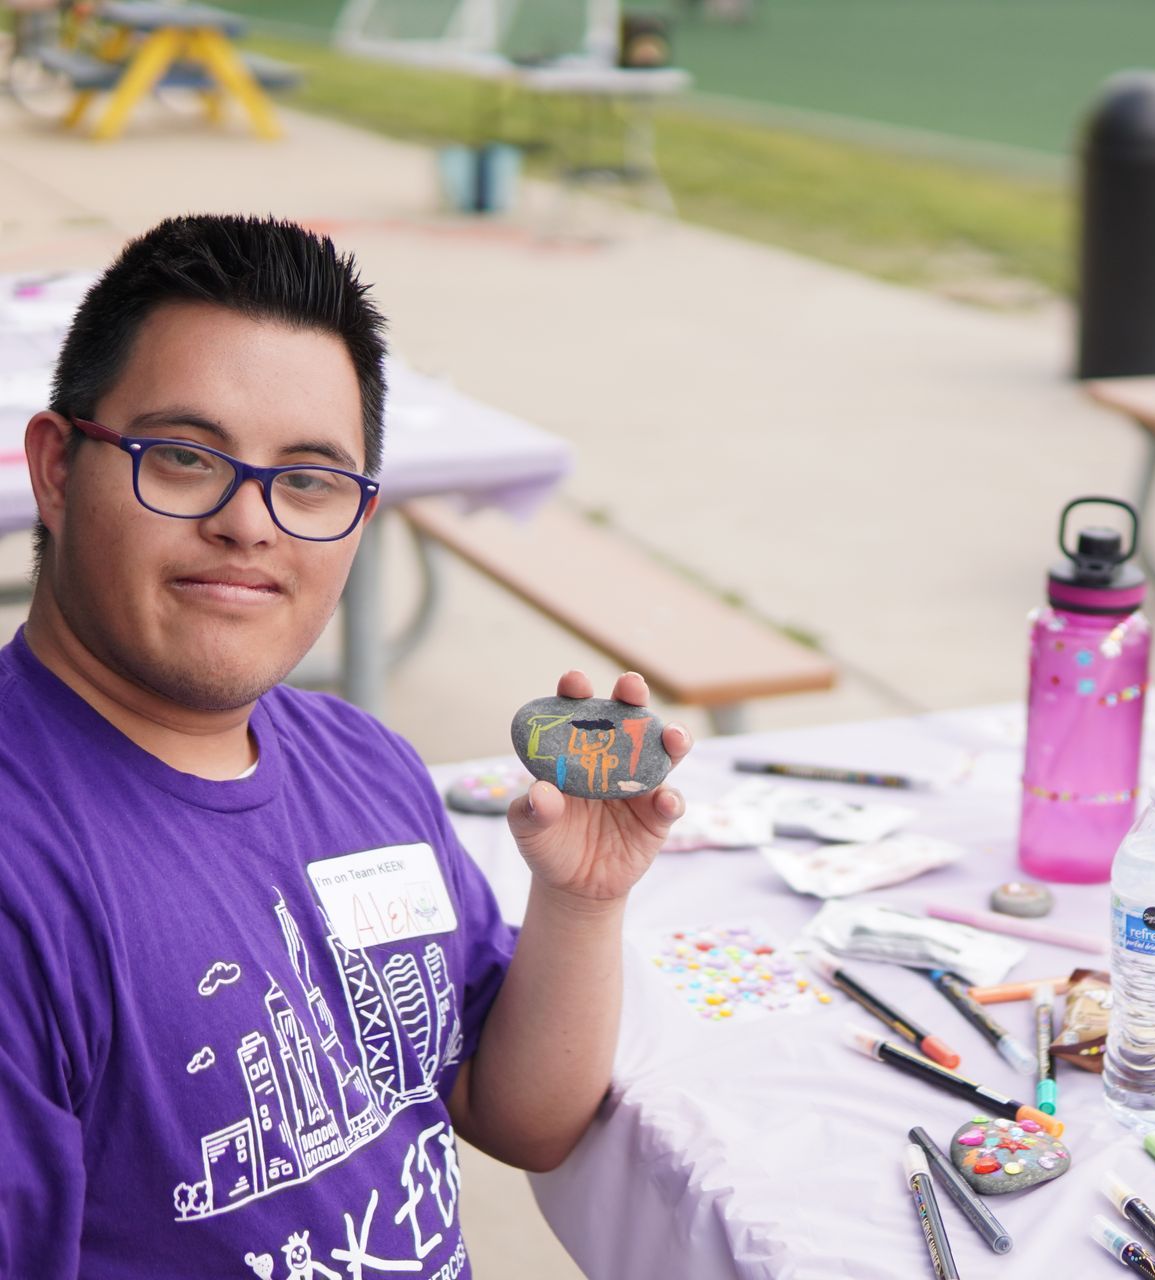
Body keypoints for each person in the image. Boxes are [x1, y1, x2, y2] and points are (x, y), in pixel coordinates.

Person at [0, 215, 692, 1275]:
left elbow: (517, 1114)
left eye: (311, 480)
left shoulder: (361, 763)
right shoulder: (24, 876)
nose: (250, 521)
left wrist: (582, 900)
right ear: (56, 468)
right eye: (185, 457)